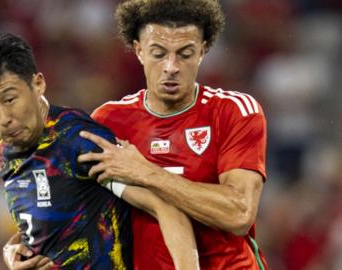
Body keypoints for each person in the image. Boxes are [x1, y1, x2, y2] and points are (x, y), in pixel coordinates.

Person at [0, 33, 199, 270]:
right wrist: (12, 249)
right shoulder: (4, 153)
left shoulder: (79, 140)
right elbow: (56, 218)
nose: (4, 119)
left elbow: (167, 207)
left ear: (38, 83)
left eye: (10, 99)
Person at [77, 0, 269, 269]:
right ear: (139, 51)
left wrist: (145, 172)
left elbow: (239, 214)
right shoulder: (108, 120)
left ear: (202, 52)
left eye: (185, 54)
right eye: (158, 53)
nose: (171, 66)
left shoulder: (234, 112)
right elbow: (77, 202)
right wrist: (25, 243)